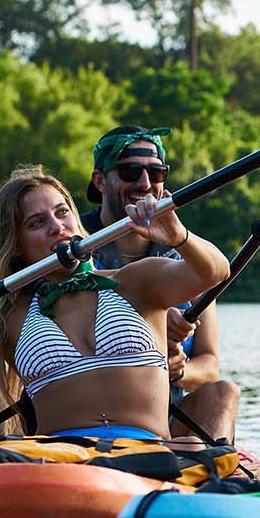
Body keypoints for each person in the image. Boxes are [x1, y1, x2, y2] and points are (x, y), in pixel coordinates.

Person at [0, 165, 230, 445]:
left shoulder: (138, 281)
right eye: (36, 223)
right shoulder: (3, 316)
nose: (57, 227)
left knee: (225, 393)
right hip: (60, 464)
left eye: (63, 213)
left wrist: (179, 237)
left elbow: (215, 270)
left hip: (150, 452)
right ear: (15, 245)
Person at [81, 125, 241, 445]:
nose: (144, 183)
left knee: (223, 392)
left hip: (164, 417)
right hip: (86, 411)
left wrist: (178, 370)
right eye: (129, 172)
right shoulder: (74, 242)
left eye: (156, 173)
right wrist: (147, 323)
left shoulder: (190, 258)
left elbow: (208, 364)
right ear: (100, 181)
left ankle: (204, 474)